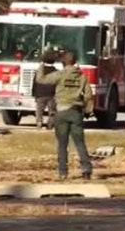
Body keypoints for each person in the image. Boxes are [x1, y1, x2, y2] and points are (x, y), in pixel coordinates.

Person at [36, 52, 93, 180]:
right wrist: (86, 109)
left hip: (61, 112)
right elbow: (89, 95)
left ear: (63, 62)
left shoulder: (60, 75)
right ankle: (86, 170)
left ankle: (63, 172)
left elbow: (41, 80)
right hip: (76, 112)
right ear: (75, 62)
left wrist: (42, 64)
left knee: (62, 144)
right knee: (80, 143)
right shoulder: (83, 77)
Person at [32, 51, 57, 129]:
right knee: (52, 111)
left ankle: (39, 122)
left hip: (40, 94)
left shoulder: (39, 71)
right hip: (52, 95)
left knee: (39, 110)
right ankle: (50, 124)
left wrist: (34, 93)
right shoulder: (56, 71)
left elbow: (34, 83)